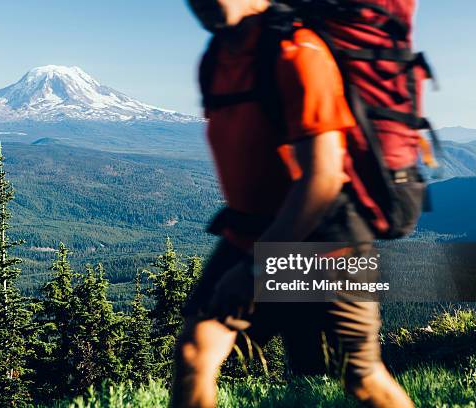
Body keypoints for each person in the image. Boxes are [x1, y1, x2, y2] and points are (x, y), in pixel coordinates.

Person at [171, 0, 415, 407]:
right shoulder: (216, 59)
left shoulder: (298, 53)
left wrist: (257, 268)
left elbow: (323, 179)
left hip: (326, 239)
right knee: (195, 351)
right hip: (250, 231)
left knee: (362, 378)